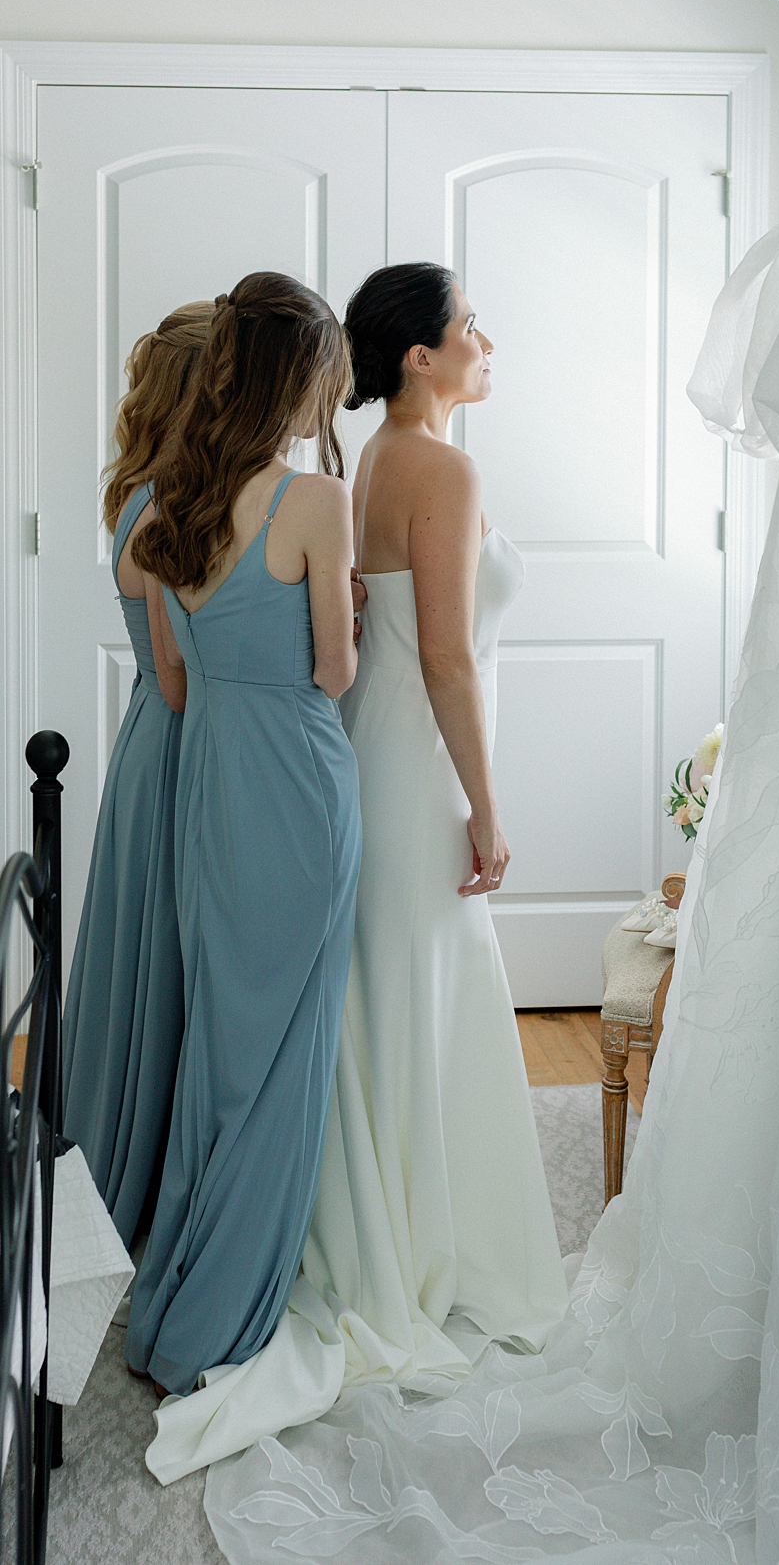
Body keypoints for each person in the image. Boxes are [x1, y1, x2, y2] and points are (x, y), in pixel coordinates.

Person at [302, 261, 567, 1382]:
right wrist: (488, 810)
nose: (486, 343)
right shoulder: (442, 469)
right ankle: (420, 1244)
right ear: (422, 356)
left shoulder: (374, 456)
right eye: (470, 327)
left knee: (400, 990)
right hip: (420, 771)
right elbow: (449, 659)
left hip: (380, 753)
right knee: (427, 982)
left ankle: (393, 1220)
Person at [123, 273, 362, 1399]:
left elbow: (171, 684)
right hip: (301, 786)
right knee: (288, 1044)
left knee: (222, 1043)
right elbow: (336, 672)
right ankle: (225, 1307)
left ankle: (168, 1301)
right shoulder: (314, 500)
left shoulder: (169, 499)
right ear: (299, 380)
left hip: (213, 786)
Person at [62, 302, 211, 1251]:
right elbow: (176, 672)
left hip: (148, 735)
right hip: (176, 740)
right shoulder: (165, 507)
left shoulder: (137, 491)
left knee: (149, 950)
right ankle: (152, 1176)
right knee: (169, 953)